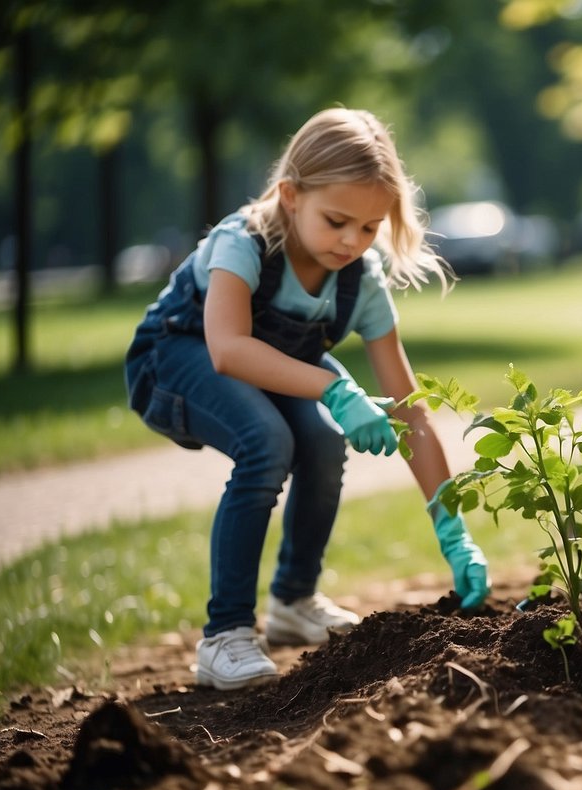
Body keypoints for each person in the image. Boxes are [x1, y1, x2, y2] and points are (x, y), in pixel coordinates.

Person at [125, 108, 490, 691]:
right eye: (337, 220)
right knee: (265, 442)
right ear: (291, 195)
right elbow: (227, 349)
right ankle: (226, 635)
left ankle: (295, 600)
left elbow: (409, 407)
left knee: (321, 441)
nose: (353, 241)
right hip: (174, 360)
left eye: (369, 228)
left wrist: (453, 528)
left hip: (270, 364)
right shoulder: (243, 243)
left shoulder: (359, 281)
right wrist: (336, 387)